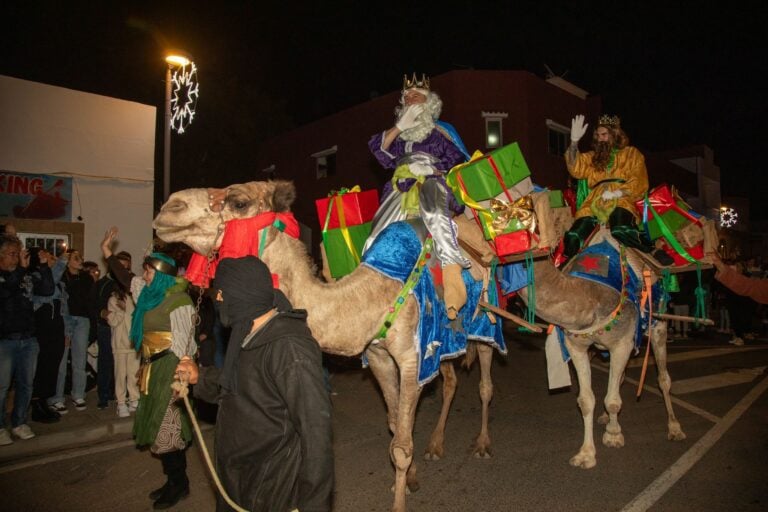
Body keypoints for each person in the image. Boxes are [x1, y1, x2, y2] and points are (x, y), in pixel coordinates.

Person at [175, 256, 334, 512]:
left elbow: (316, 433)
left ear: (241, 295)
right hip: (241, 478)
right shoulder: (247, 333)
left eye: (222, 293)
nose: (217, 300)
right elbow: (238, 388)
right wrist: (199, 377)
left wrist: (314, 505)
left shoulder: (290, 350)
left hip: (272, 487)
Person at [101, 227, 196, 510]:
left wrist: (182, 379)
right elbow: (126, 277)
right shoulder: (148, 293)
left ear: (163, 275)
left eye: (149, 272)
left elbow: (185, 345)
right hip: (151, 367)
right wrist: (107, 252)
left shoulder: (179, 301)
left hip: (170, 367)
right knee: (159, 429)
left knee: (169, 430)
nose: (144, 276)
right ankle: (174, 481)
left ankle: (179, 484)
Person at [366, 73, 470, 318]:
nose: (410, 100)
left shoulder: (441, 132)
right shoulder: (399, 136)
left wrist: (432, 170)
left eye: (417, 96)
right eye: (407, 97)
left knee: (433, 206)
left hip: (432, 180)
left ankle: (452, 273)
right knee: (376, 234)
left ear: (429, 103)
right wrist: (400, 126)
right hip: (399, 187)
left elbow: (459, 161)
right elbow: (376, 149)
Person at [563, 114, 674, 265]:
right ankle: (570, 265)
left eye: (604, 134)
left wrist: (618, 192)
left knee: (620, 229)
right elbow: (576, 168)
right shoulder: (592, 158)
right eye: (598, 135)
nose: (600, 139)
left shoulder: (631, 154)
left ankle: (652, 249)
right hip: (594, 203)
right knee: (573, 235)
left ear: (614, 135)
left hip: (621, 199)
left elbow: (639, 180)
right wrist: (574, 142)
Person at [0, 235, 54, 445]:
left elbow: (48, 289)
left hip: (28, 339)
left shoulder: (25, 275)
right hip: (5, 340)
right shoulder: (5, 277)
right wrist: (21, 270)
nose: (17, 258)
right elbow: (7, 292)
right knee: (2, 386)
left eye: (18, 254)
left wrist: (43, 266)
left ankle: (19, 422)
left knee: (26, 385)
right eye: (12, 254)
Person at [49, 249, 93, 413]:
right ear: (67, 261)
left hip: (82, 320)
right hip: (65, 320)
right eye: (75, 258)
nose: (80, 260)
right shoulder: (61, 277)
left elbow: (88, 300)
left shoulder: (86, 278)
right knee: (61, 361)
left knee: (79, 360)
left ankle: (78, 394)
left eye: (80, 257)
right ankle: (57, 398)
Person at [29, 247, 68, 424]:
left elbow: (63, 308)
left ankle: (44, 401)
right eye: (46, 256)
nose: (51, 258)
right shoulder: (35, 277)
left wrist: (66, 331)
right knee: (42, 367)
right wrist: (60, 264)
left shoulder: (58, 280)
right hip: (42, 328)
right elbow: (48, 290)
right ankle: (36, 404)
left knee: (53, 366)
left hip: (56, 327)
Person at [89, 250, 131, 409]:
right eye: (121, 267)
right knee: (106, 361)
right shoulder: (101, 284)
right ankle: (104, 396)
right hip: (106, 328)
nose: (124, 271)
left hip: (125, 329)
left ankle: (120, 394)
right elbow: (92, 305)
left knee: (124, 364)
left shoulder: (128, 283)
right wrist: (102, 312)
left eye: (126, 268)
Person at [106, 283, 139, 417]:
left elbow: (137, 317)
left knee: (134, 373)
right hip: (120, 343)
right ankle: (120, 402)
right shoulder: (113, 299)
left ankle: (134, 399)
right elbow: (113, 321)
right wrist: (121, 311)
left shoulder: (135, 297)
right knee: (120, 374)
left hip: (133, 342)